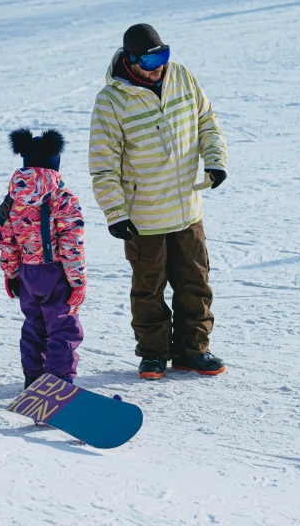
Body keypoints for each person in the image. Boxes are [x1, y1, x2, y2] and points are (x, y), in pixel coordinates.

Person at [89, 24, 227, 380]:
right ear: (132, 60)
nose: (159, 67)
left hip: (187, 207)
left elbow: (207, 121)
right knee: (148, 287)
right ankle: (153, 354)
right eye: (150, 61)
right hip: (143, 214)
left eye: (163, 56)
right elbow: (103, 164)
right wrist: (115, 212)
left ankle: (193, 351)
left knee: (195, 282)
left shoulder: (181, 76)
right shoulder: (111, 100)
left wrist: (215, 159)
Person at [0, 128, 86, 387]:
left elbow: (6, 238)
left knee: (34, 326)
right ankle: (58, 384)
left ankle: (33, 378)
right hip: (56, 273)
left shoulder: (12, 198)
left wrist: (11, 273)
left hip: (27, 273)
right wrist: (77, 282)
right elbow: (72, 244)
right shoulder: (64, 198)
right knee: (63, 327)